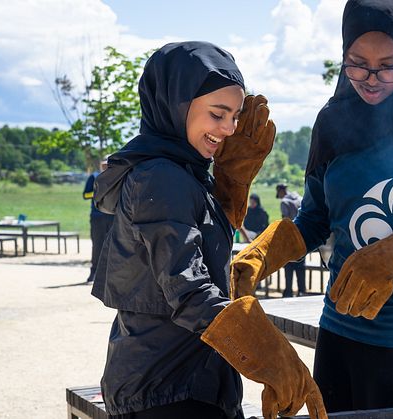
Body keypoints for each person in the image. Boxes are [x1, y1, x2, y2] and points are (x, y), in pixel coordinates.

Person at [231, 0, 393, 413]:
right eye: (356, 63)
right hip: (340, 327)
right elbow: (315, 220)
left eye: (389, 65)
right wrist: (262, 254)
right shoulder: (333, 124)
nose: (371, 79)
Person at [91, 41, 326, 419]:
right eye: (218, 114)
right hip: (165, 392)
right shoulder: (160, 176)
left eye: (234, 116)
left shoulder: (183, 172)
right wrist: (271, 354)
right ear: (176, 105)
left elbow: (202, 251)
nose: (230, 129)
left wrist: (228, 184)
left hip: (185, 380)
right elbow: (190, 291)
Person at [83, 158, 114, 283]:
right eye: (104, 165)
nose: (106, 167)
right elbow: (85, 195)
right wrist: (97, 192)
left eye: (108, 164)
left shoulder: (117, 176)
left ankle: (111, 274)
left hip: (113, 215)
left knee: (114, 245)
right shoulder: (94, 177)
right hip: (97, 216)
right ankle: (94, 272)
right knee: (97, 245)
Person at [276, 183, 306, 297]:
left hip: (290, 237)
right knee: (301, 265)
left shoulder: (284, 202)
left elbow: (286, 220)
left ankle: (288, 291)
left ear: (280, 191)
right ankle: (302, 291)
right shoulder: (299, 197)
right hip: (303, 236)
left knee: (288, 266)